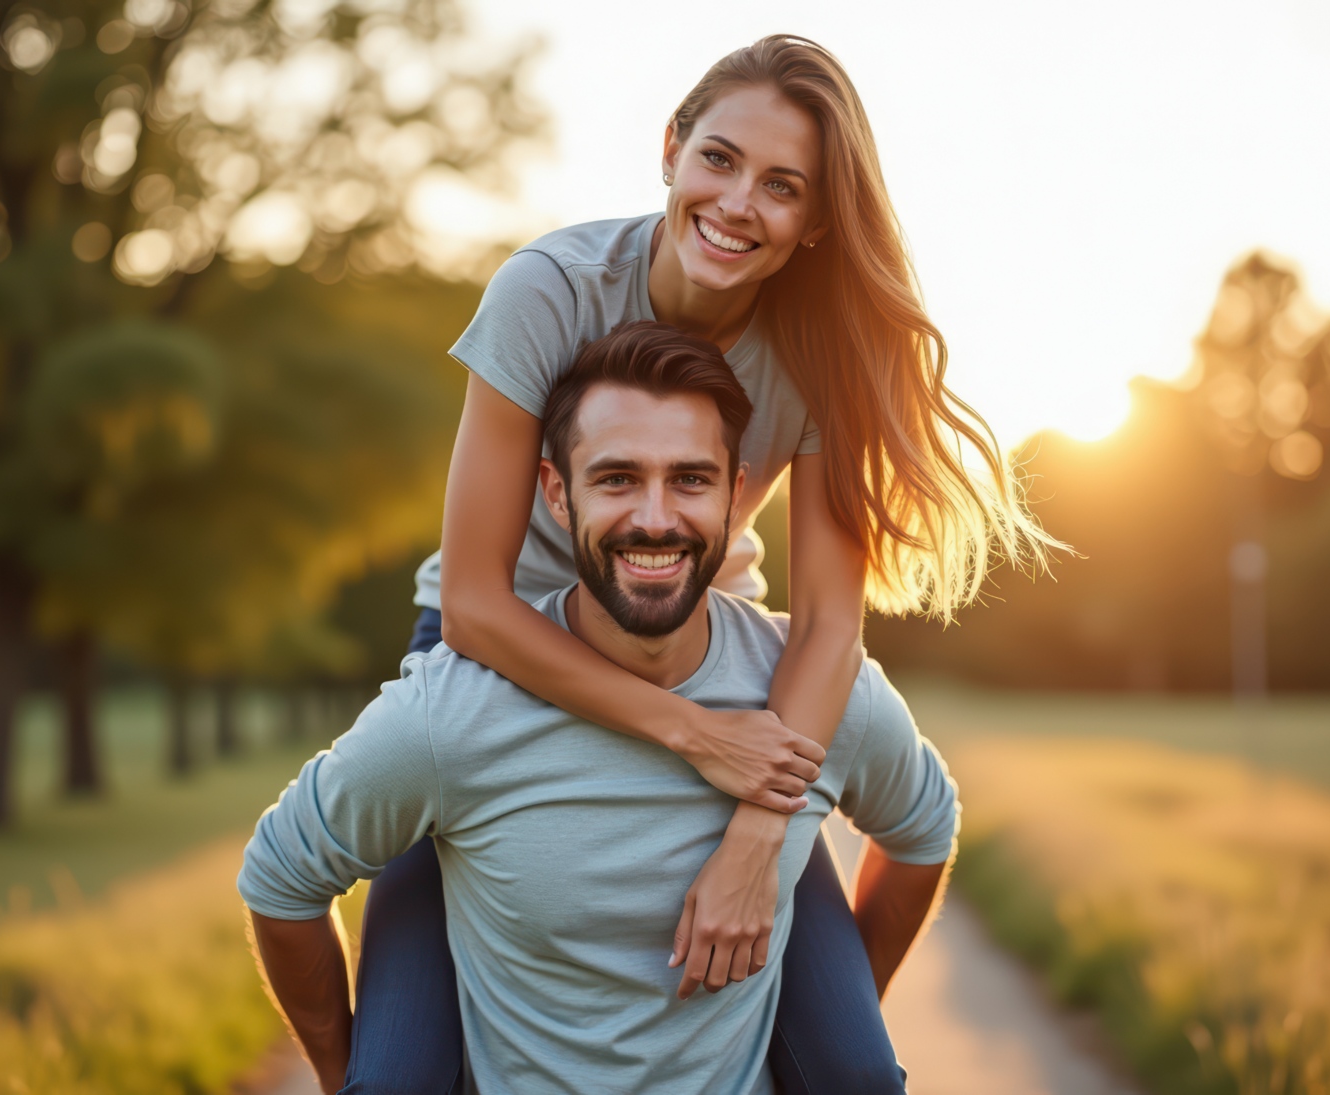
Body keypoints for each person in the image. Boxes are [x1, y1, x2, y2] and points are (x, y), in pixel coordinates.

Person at [356, 33, 1053, 1093]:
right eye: (720, 159)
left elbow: (830, 623)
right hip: (500, 651)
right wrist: (694, 736)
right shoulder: (548, 290)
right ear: (671, 148)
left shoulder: (823, 350)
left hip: (701, 654)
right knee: (395, 1077)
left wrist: (758, 835)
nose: (737, 203)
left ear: (816, 220)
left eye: (782, 185)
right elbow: (473, 605)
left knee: (851, 1074)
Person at [242, 322, 959, 1094]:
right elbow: (282, 877)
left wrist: (836, 1021)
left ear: (735, 492)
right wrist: (339, 1071)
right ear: (556, 492)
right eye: (617, 478)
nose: (655, 518)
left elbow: (923, 828)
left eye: (690, 479)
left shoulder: (816, 693)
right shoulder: (454, 712)